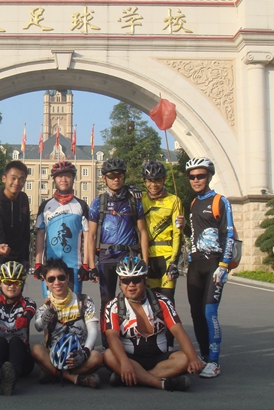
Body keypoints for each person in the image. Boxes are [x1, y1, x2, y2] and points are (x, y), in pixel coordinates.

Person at [102, 257, 203, 392]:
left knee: (185, 358)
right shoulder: (113, 306)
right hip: (130, 358)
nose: (131, 285)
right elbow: (112, 337)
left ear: (145, 279)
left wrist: (193, 359)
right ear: (120, 282)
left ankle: (132, 378)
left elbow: (178, 331)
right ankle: (161, 383)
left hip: (159, 358)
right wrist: (125, 363)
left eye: (136, 280)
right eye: (125, 281)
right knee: (108, 355)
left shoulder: (162, 302)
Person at [185, 157, 236, 378]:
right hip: (195, 265)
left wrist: (224, 265)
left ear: (209, 176)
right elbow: (194, 235)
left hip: (214, 264)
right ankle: (205, 356)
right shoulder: (193, 203)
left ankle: (214, 362)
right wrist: (183, 226)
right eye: (192, 177)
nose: (196, 180)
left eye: (201, 176)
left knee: (209, 313)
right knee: (196, 313)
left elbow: (228, 234)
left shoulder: (220, 201)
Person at [86, 158, 149, 317]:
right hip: (106, 257)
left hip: (129, 257)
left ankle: (132, 331)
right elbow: (91, 235)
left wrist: (145, 262)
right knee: (106, 301)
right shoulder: (98, 203)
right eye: (111, 176)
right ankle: (108, 333)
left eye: (119, 175)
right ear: (104, 178)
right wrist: (91, 265)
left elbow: (143, 232)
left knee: (133, 300)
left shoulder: (134, 202)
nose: (116, 179)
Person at [31, 259, 102, 389]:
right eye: (51, 279)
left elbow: (92, 330)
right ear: (46, 282)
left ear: (68, 278)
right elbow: (38, 326)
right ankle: (74, 378)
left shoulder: (84, 301)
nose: (57, 282)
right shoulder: (45, 308)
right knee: (36, 350)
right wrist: (46, 316)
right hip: (54, 356)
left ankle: (54, 373)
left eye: (61, 277)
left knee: (97, 357)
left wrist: (85, 352)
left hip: (79, 356)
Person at [34, 161, 89, 299]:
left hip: (74, 265)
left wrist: (86, 264)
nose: (63, 179)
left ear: (73, 178)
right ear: (54, 179)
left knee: (74, 304)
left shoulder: (81, 205)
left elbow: (87, 237)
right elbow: (40, 235)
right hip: (50, 264)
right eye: (59, 176)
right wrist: (38, 263)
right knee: (49, 304)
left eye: (68, 176)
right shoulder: (45, 205)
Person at [0, 261, 36, 395]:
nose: (12, 286)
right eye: (7, 282)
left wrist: (25, 319)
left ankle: (11, 376)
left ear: (22, 284)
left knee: (15, 341)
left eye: (17, 283)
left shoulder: (28, 302)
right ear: (0, 284)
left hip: (22, 360)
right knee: (0, 341)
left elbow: (29, 310)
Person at [141, 160, 184, 304]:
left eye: (157, 180)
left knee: (167, 301)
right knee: (150, 302)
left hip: (167, 256)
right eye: (149, 181)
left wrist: (174, 262)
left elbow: (178, 233)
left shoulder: (174, 200)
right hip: (147, 257)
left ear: (164, 179)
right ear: (144, 181)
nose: (153, 185)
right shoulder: (140, 199)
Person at [0, 161, 31, 296]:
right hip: (0, 258)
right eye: (13, 178)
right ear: (4, 179)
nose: (16, 182)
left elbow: (26, 230)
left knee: (17, 299)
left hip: (19, 258)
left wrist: (26, 257)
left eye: (21, 179)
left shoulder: (23, 198)